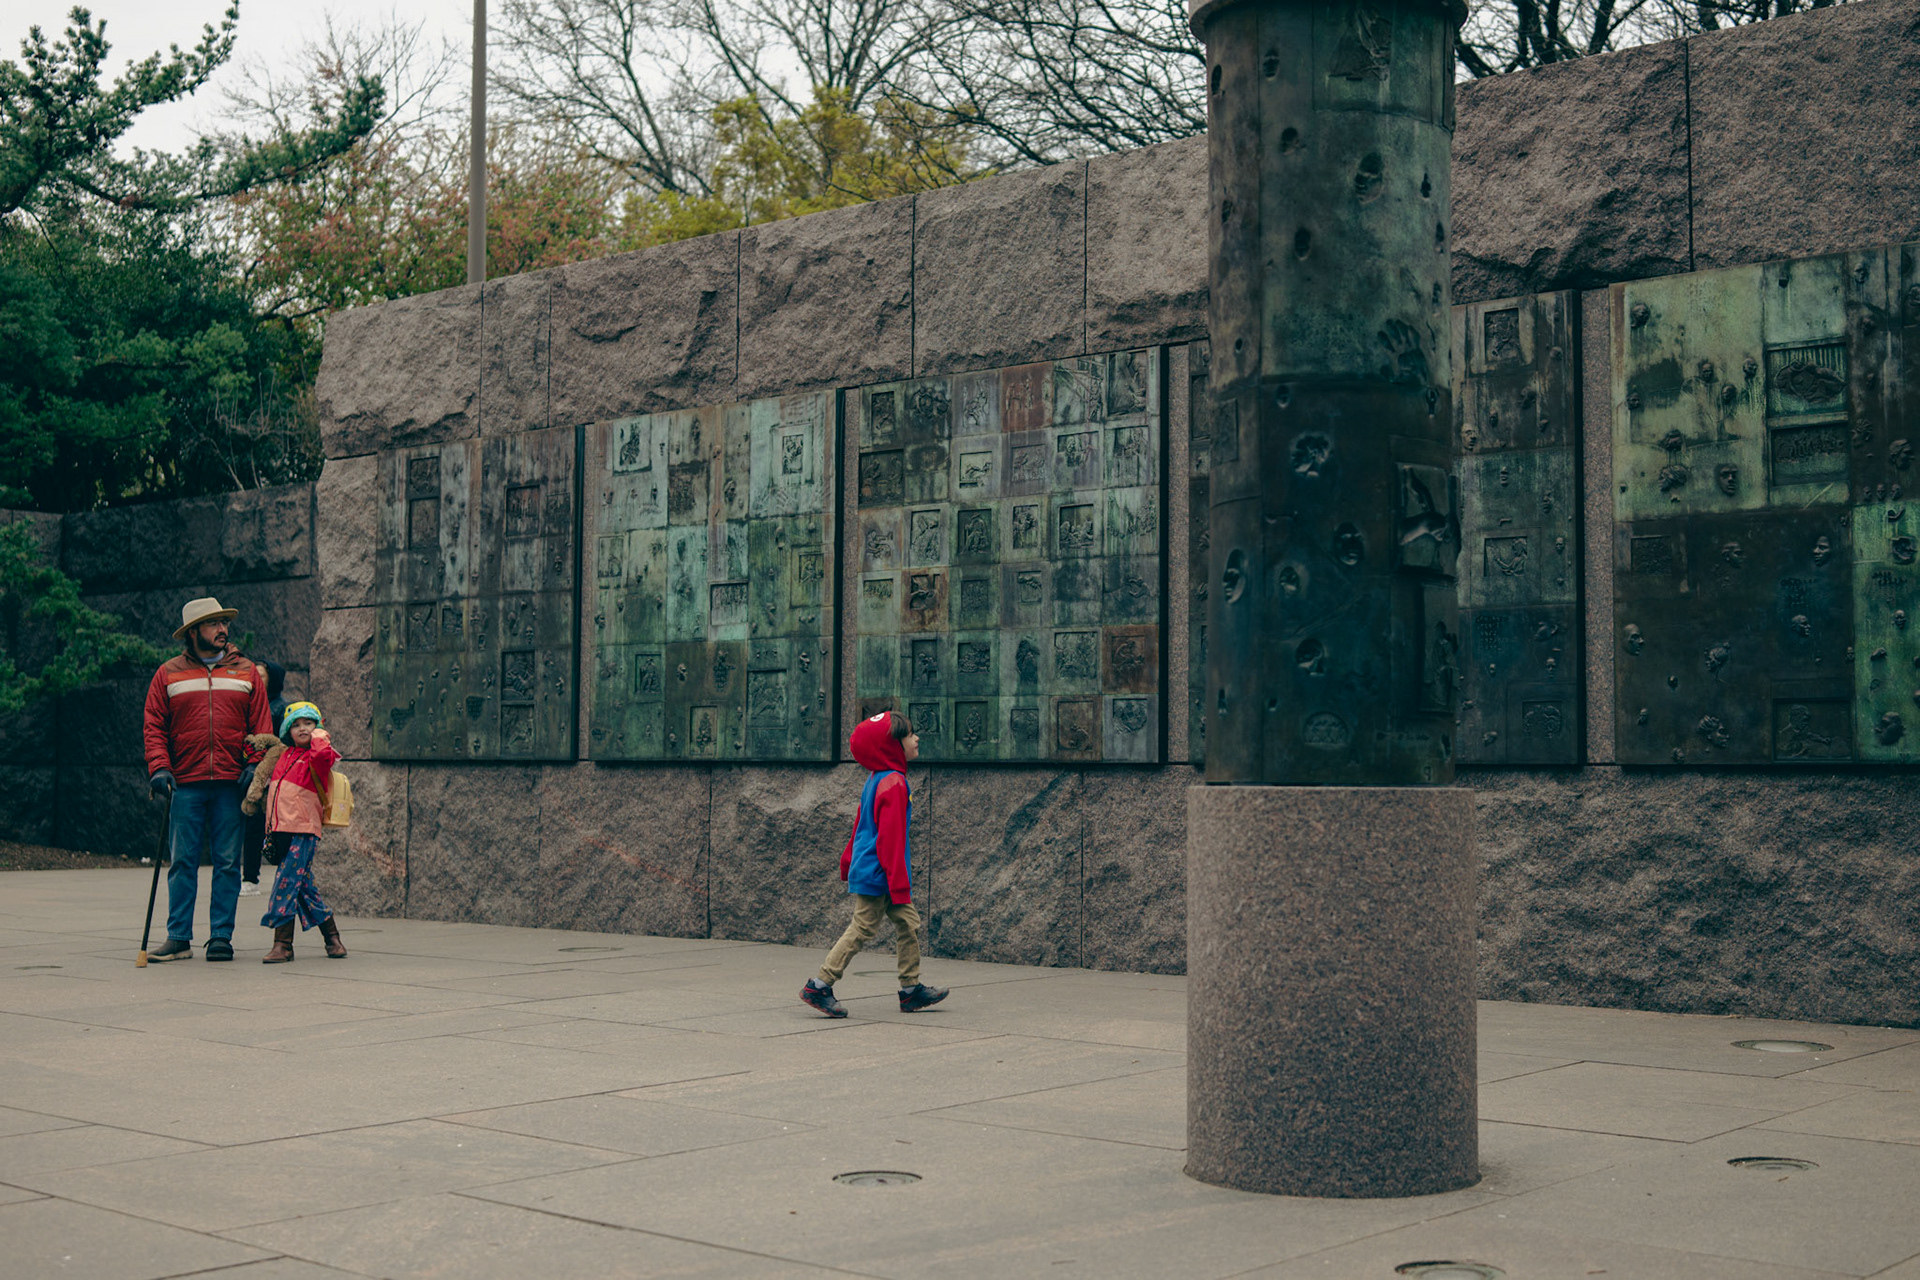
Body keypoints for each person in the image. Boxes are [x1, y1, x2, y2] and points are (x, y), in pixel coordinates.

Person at [142, 598, 271, 962]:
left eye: (224, 623)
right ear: (194, 631)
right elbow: (154, 726)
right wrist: (159, 768)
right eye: (214, 624)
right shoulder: (168, 674)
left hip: (232, 783)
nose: (222, 630)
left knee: (228, 863)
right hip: (185, 782)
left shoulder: (246, 672)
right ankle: (178, 938)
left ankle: (221, 938)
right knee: (182, 862)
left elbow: (261, 727)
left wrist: (255, 765)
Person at [801, 711, 948, 1017]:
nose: (916, 738)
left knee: (908, 923)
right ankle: (819, 984)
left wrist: (848, 860)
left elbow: (860, 826)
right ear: (892, 746)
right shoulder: (894, 783)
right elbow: (889, 841)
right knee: (863, 927)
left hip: (876, 869)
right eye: (909, 735)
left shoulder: (877, 779)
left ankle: (910, 990)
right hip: (881, 873)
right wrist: (898, 883)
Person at [259, 701, 347, 963]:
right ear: (288, 731)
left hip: (303, 830)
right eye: (296, 725)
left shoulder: (317, 756)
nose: (303, 728)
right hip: (281, 829)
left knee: (285, 883)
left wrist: (320, 735)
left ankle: (283, 944)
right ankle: (332, 938)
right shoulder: (284, 756)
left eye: (309, 723)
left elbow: (323, 756)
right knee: (303, 887)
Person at [239, 660, 288, 897]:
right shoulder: (248, 704)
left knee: (268, 827)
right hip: (251, 772)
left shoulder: (279, 708)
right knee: (252, 826)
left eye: (261, 676)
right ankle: (250, 877)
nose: (255, 680)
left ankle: (270, 877)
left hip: (271, 776)